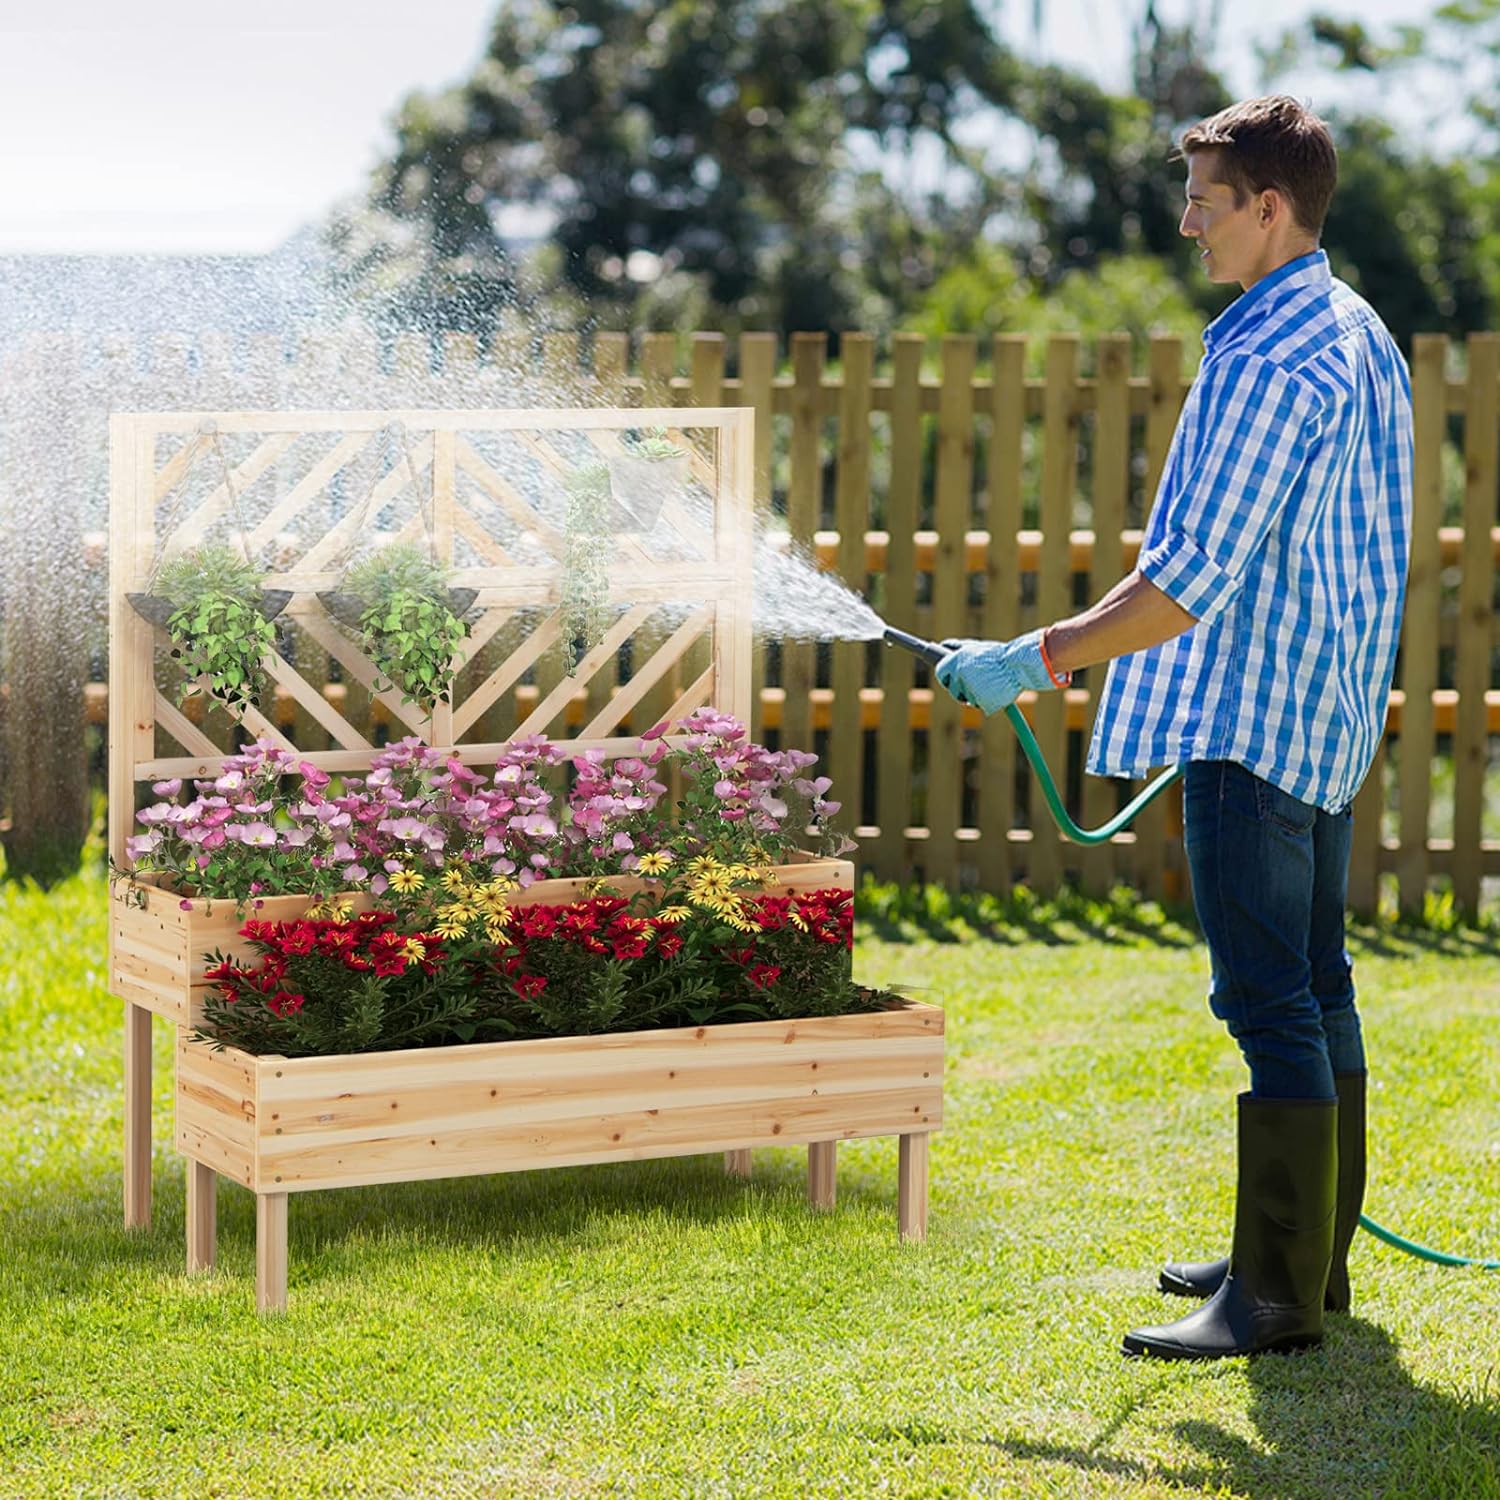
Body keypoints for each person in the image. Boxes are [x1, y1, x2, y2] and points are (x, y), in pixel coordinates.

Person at [936, 95, 1413, 1361]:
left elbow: (1185, 583)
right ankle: (1309, 1262)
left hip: (1257, 721)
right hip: (1326, 711)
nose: (1186, 221)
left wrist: (1029, 660)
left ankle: (1269, 1303)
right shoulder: (1352, 325)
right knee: (1317, 985)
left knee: (1267, 1000)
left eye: (1207, 198)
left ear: (1271, 206)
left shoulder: (1268, 355)